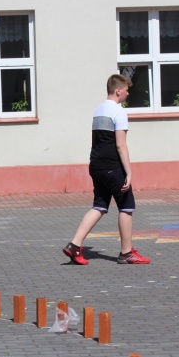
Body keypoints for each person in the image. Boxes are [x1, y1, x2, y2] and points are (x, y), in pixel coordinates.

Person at [63, 74, 151, 265]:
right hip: (112, 166)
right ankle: (126, 252)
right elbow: (121, 145)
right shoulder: (118, 111)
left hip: (96, 165)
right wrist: (129, 172)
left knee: (99, 206)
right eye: (126, 90)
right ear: (118, 90)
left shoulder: (99, 109)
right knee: (126, 206)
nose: (128, 93)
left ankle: (74, 245)